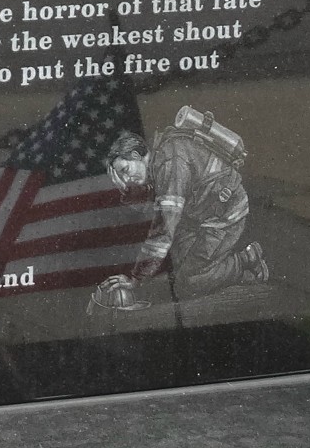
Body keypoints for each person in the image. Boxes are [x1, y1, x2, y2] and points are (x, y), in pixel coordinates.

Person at [92, 106, 270, 310]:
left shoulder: (170, 161)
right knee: (177, 269)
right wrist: (126, 190)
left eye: (125, 170)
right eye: (121, 177)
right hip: (197, 216)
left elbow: (164, 228)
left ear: (135, 154)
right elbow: (156, 209)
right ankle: (236, 268)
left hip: (223, 217)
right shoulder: (160, 159)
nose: (127, 179)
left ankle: (246, 259)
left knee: (189, 282)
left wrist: (136, 278)